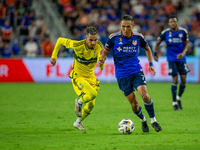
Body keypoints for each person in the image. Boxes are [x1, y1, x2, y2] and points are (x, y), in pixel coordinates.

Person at [98, 14, 162, 132]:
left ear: (133, 26)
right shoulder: (113, 37)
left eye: (128, 26)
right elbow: (105, 53)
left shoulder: (138, 37)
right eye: (123, 26)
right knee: (134, 105)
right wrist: (102, 59)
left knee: (145, 96)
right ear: (120, 26)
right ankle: (143, 120)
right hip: (122, 76)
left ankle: (153, 121)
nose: (126, 29)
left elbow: (147, 49)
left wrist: (151, 64)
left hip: (136, 71)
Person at [50, 26, 105, 131]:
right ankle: (79, 101)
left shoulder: (99, 46)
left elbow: (101, 66)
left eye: (95, 40)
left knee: (91, 105)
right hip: (79, 77)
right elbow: (60, 40)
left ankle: (78, 122)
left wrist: (101, 62)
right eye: (91, 40)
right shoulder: (78, 45)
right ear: (85, 38)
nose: (93, 43)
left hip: (90, 78)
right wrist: (54, 56)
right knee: (93, 94)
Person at [154, 15, 190, 111]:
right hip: (171, 58)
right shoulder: (165, 33)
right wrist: (155, 53)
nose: (173, 23)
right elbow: (157, 43)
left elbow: (186, 44)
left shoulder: (183, 32)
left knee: (183, 80)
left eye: (174, 21)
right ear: (169, 23)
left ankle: (178, 97)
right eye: (171, 22)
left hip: (181, 59)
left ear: (177, 22)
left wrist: (183, 53)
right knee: (175, 79)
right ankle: (174, 102)